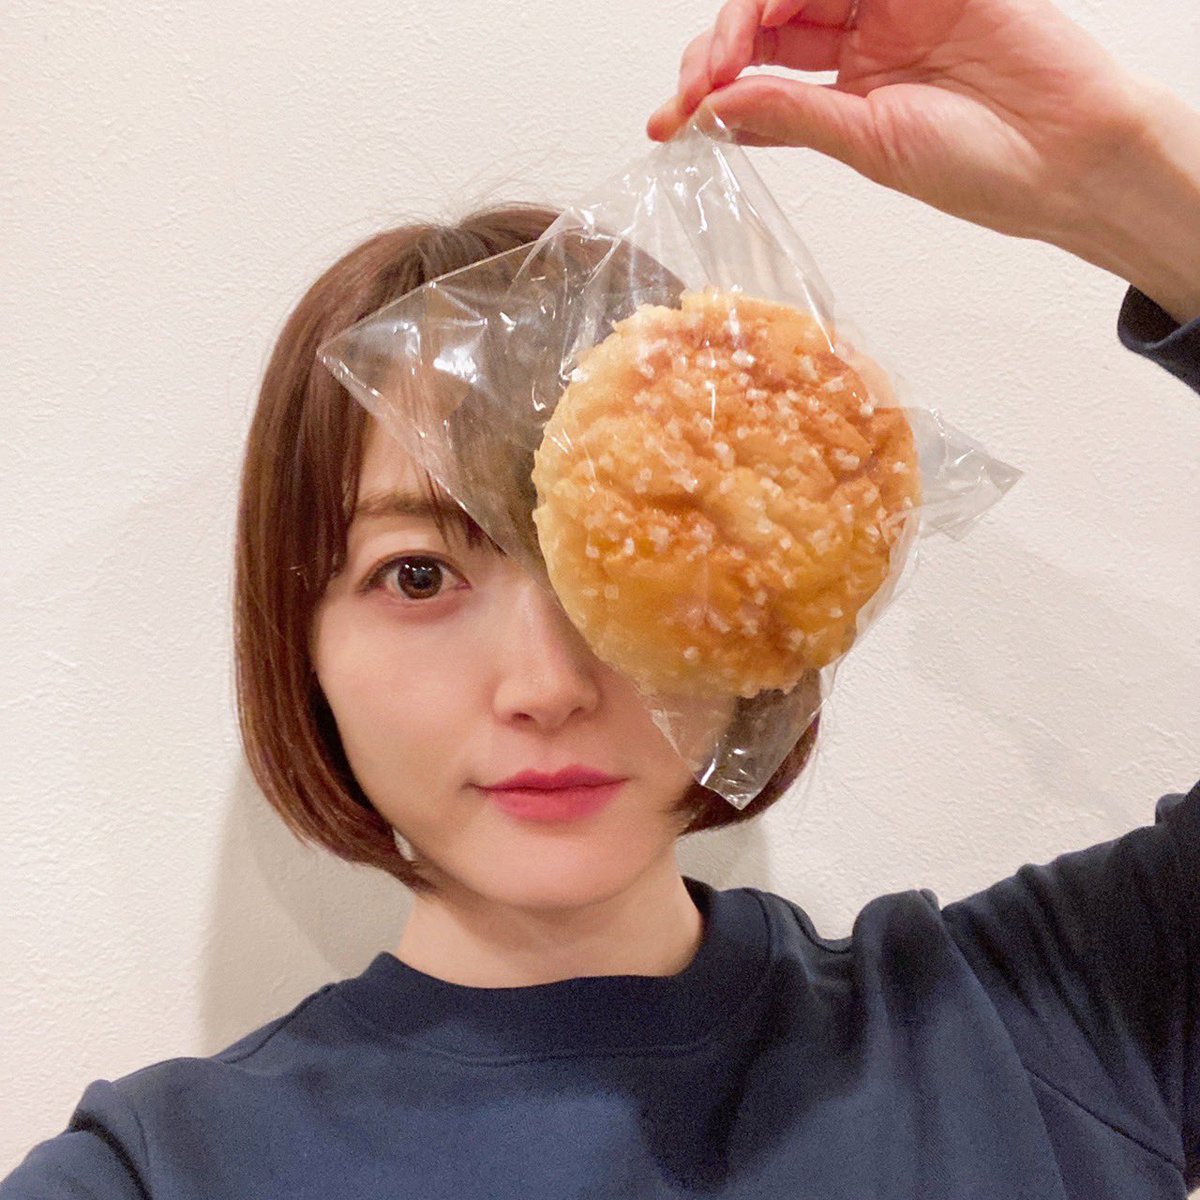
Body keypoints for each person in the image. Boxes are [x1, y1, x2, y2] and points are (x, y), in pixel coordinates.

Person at [4, 0, 1197, 1195]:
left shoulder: (1043, 1028)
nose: (547, 686)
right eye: (418, 575)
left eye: (630, 555)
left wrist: (1130, 181)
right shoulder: (161, 1173)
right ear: (299, 646)